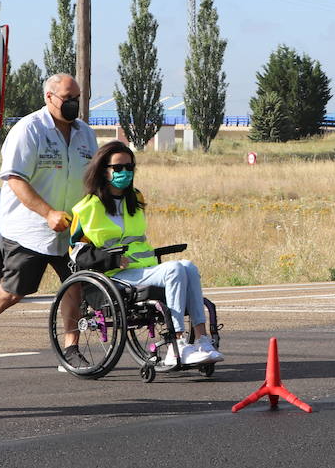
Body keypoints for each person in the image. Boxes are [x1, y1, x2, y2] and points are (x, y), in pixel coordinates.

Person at [0, 73, 98, 365]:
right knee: (16, 290)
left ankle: (71, 350)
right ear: (49, 97)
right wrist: (47, 212)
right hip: (29, 227)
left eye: (77, 98)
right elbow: (15, 178)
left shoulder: (86, 133)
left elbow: (93, 178)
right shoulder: (29, 130)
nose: (73, 104)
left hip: (72, 228)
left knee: (75, 283)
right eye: (67, 99)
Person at [69, 140, 221, 369]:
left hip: (143, 269)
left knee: (188, 265)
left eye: (129, 167)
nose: (125, 172)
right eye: (118, 168)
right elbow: (76, 254)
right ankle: (177, 344)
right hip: (114, 275)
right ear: (104, 170)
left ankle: (202, 340)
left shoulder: (135, 199)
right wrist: (111, 259)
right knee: (176, 269)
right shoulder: (86, 208)